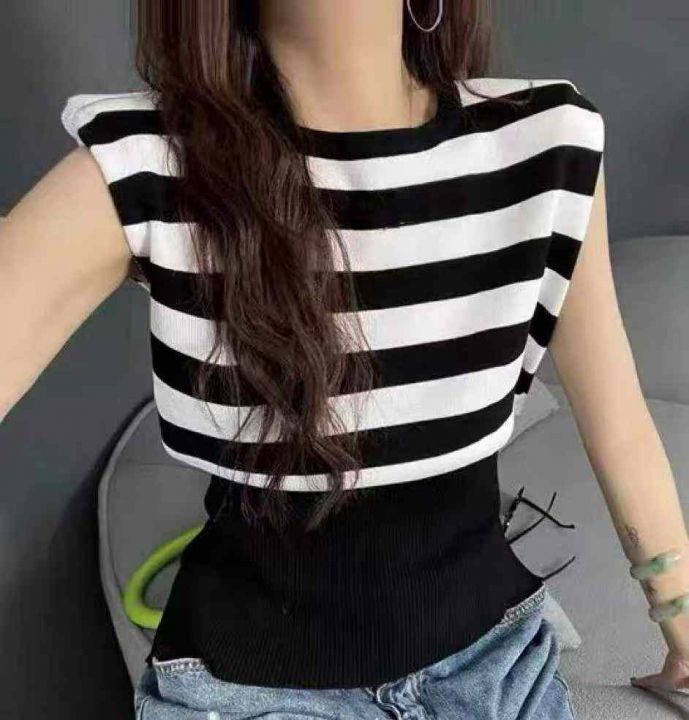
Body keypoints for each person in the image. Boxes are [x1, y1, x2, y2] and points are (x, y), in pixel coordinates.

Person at [3, 0, 689, 718]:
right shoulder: (145, 162)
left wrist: (677, 616)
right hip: (249, 693)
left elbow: (619, 423)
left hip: (495, 668)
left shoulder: (545, 142)